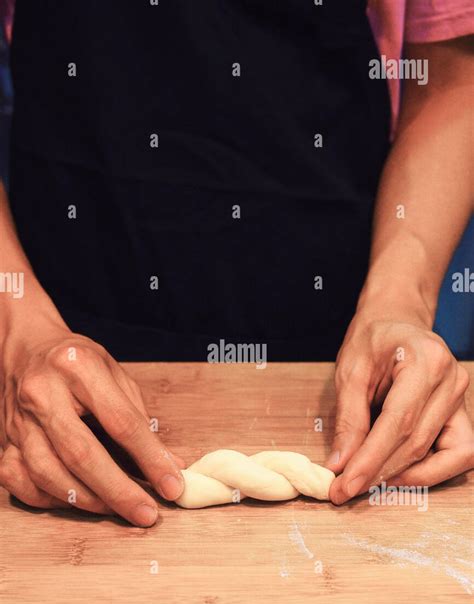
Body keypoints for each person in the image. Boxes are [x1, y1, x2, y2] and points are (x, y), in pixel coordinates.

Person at [0, 0, 472, 526]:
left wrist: (398, 301)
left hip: (335, 359)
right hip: (58, 333)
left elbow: (453, 78)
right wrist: (16, 324)